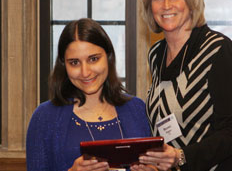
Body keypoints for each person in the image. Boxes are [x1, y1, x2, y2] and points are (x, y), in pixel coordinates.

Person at [131, 0, 232, 171]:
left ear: (191, 1)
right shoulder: (156, 54)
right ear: (149, 7)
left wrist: (181, 157)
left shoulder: (218, 50)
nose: (166, 5)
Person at [26, 18, 151, 171]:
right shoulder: (44, 117)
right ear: (63, 65)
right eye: (74, 62)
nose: (85, 72)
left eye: (93, 59)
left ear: (109, 57)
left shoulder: (137, 109)